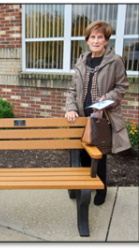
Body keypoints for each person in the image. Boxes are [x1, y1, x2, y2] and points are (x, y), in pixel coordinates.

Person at [65, 21, 131, 206]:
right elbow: (72, 90)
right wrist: (70, 108)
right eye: (92, 37)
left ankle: (101, 188)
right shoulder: (81, 61)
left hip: (101, 117)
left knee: (99, 155)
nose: (95, 40)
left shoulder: (115, 60)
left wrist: (106, 98)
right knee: (82, 155)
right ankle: (85, 186)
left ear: (106, 40)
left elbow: (122, 86)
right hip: (81, 116)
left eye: (100, 37)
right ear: (87, 40)